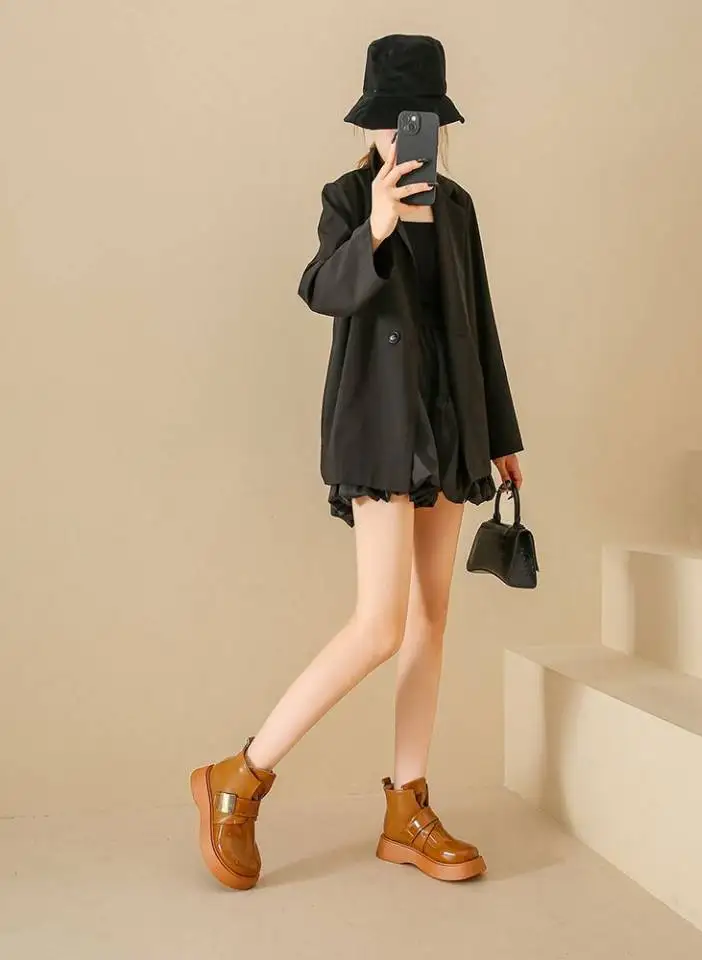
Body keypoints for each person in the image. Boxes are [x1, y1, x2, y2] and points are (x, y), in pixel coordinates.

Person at [190, 33, 523, 890]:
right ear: (369, 126)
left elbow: (479, 323)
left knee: (431, 619)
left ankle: (408, 807)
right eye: (386, 121)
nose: (399, 135)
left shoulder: (459, 207)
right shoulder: (346, 197)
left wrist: (503, 435)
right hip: (380, 431)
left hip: (450, 426)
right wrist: (375, 226)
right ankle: (240, 774)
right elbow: (321, 290)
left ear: (438, 124)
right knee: (380, 624)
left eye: (415, 120)